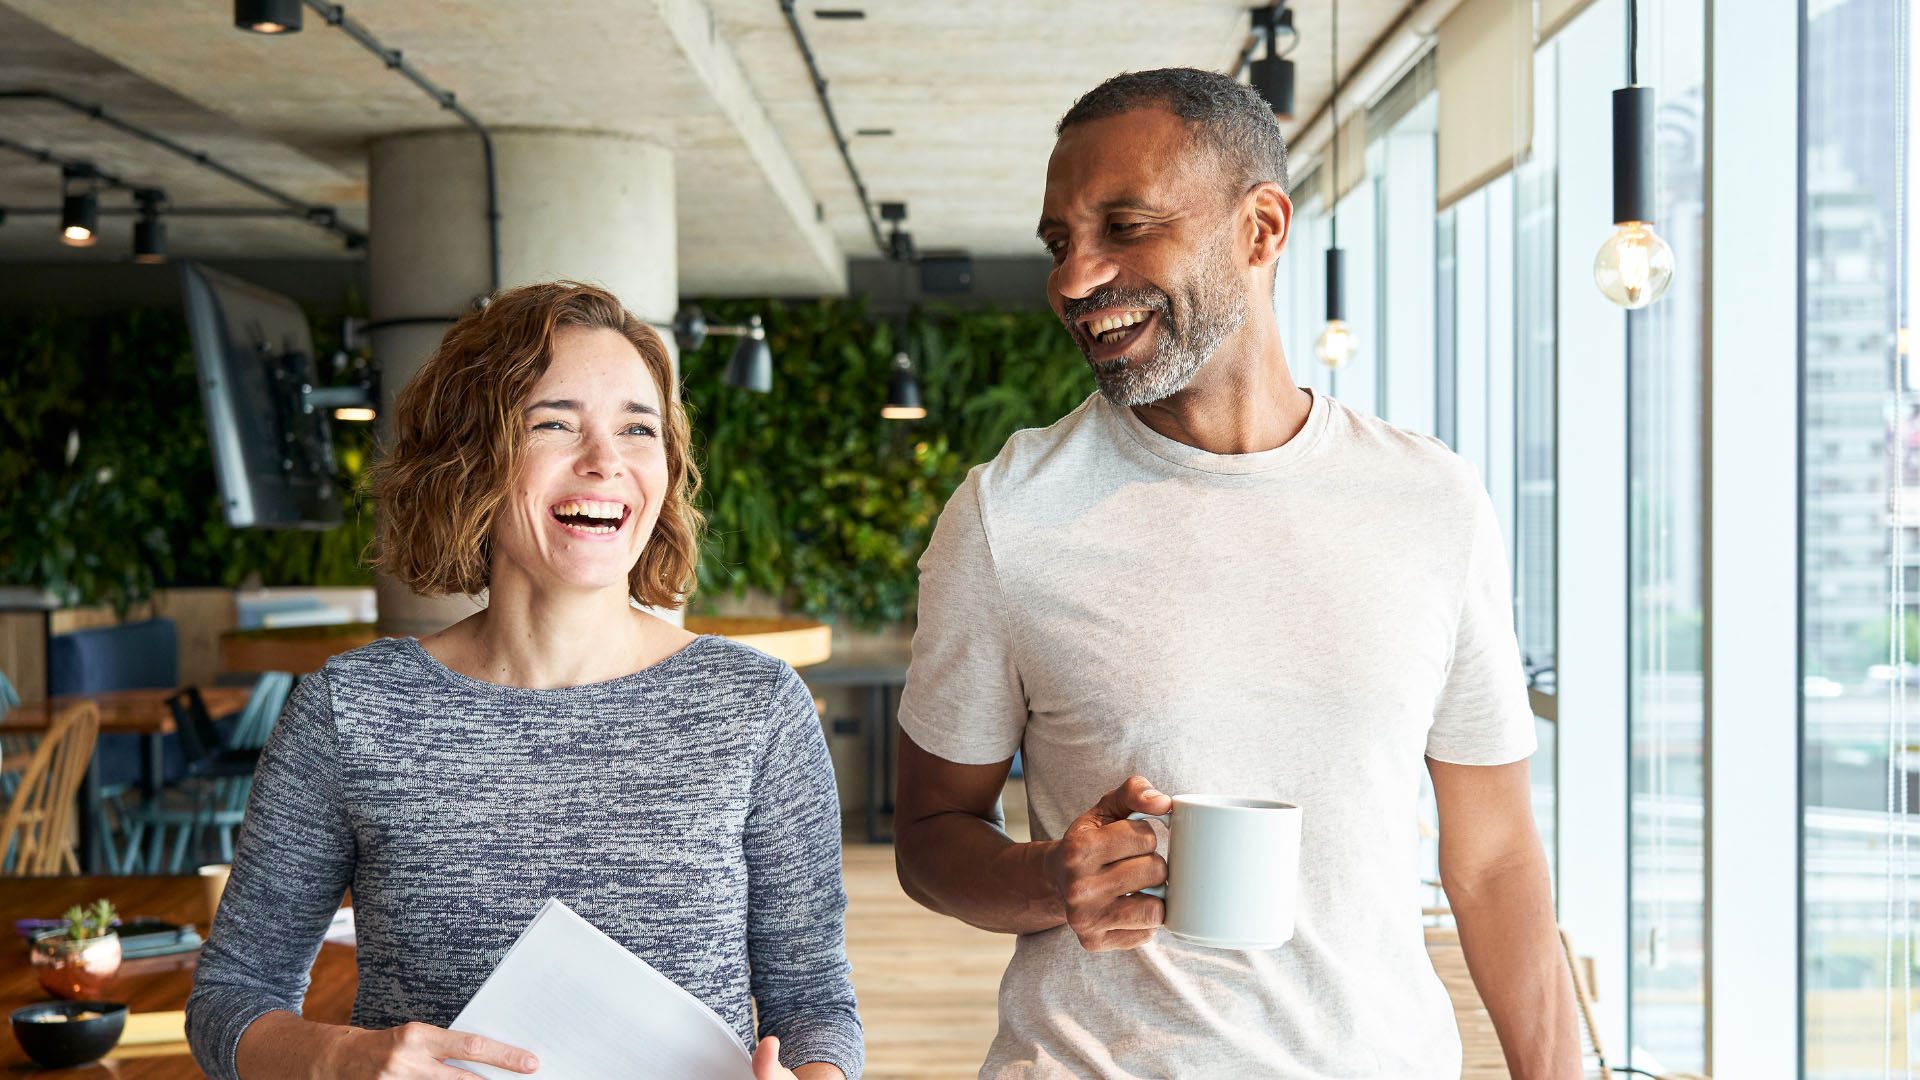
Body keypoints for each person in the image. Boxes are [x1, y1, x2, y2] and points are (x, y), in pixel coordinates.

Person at [892, 68, 1577, 1080]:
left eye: (1125, 226)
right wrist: (1052, 879)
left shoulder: (1433, 501)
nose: (1074, 279)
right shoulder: (1009, 515)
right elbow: (931, 834)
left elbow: (1494, 862)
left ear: (1261, 229)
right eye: (1059, 242)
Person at [186, 282, 863, 1080]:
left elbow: (815, 1004)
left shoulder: (755, 708)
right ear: (472, 457)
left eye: (637, 429)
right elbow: (231, 997)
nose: (605, 461)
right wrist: (342, 1060)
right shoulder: (353, 709)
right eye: (554, 423)